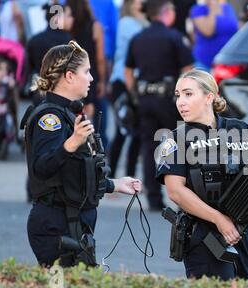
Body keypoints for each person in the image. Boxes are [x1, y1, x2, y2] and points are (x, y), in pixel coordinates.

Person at [22, 40, 142, 267]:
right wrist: (72, 143)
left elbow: (76, 175)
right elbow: (41, 168)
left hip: (74, 223)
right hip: (55, 223)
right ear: (69, 76)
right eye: (86, 71)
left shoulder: (69, 113)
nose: (92, 78)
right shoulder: (51, 118)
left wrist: (115, 184)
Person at [156, 69, 248, 280]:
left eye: (188, 94)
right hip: (203, 236)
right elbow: (175, 191)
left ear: (209, 97)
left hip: (241, 232)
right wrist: (218, 219)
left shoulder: (238, 129)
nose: (181, 102)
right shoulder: (174, 139)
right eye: (178, 95)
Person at [124, 0, 193, 210]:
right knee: (179, 146)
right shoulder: (174, 37)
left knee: (149, 148)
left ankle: (154, 199)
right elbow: (188, 69)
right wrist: (185, 97)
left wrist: (135, 94)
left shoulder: (138, 38)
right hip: (169, 101)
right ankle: (185, 198)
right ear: (167, 13)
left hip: (145, 99)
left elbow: (128, 71)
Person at [108, 0, 149, 178]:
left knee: (137, 134)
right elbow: (143, 41)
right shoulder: (126, 23)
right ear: (132, 4)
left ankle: (131, 179)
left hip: (137, 83)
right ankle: (109, 178)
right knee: (121, 133)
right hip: (122, 82)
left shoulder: (144, 22)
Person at [27, 1, 73, 106]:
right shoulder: (69, 42)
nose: (72, 20)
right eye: (69, 16)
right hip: (63, 96)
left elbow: (29, 69)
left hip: (39, 94)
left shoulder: (34, 40)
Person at [190, 0, 238, 71]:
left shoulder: (227, 7)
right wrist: (212, 8)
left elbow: (234, 27)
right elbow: (208, 31)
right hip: (205, 64)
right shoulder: (198, 9)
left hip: (226, 63)